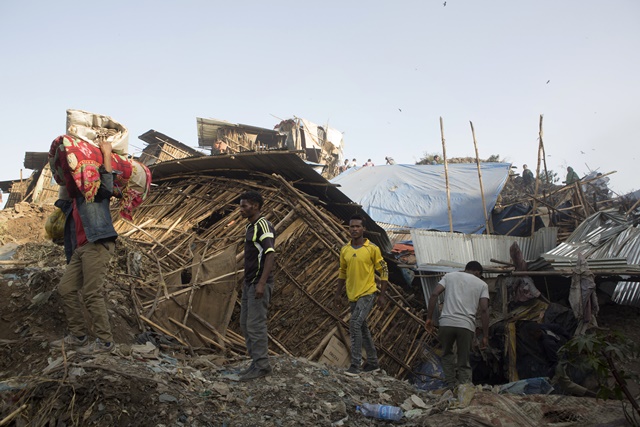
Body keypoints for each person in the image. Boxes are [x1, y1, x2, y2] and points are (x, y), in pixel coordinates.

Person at [51, 140, 118, 355]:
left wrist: (106, 154)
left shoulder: (94, 192)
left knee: (91, 293)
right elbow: (63, 188)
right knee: (66, 289)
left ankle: (105, 341)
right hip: (79, 250)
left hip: (97, 243)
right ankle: (79, 336)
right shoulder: (72, 202)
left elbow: (108, 187)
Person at [335, 214, 389, 376]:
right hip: (352, 295)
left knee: (355, 324)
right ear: (349, 229)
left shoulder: (372, 249)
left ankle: (355, 365)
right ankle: (373, 363)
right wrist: (338, 293)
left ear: (363, 229)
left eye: (358, 226)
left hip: (368, 293)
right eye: (352, 227)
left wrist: (382, 294)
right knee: (363, 328)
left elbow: (384, 270)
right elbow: (342, 272)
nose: (354, 229)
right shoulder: (345, 249)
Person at [425, 261, 489, 388]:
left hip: (446, 323)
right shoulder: (482, 284)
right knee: (463, 359)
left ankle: (450, 386)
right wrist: (486, 335)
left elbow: (434, 294)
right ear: (478, 272)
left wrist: (429, 318)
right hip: (466, 326)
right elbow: (484, 309)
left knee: (447, 354)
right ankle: (464, 388)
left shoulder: (449, 276)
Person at [238, 191, 276, 381]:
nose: (241, 209)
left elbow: (270, 254)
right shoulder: (250, 227)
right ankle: (255, 362)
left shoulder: (263, 226)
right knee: (245, 324)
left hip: (259, 284)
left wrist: (261, 283)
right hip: (250, 283)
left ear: (255, 205)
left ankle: (262, 365)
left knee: (255, 325)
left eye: (244, 206)